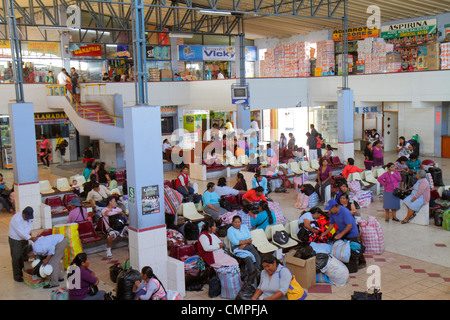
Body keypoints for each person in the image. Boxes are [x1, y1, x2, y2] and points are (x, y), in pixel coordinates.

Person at [8, 207, 37, 282]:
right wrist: (31, 238)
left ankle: (24, 273)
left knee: (25, 256)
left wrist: (29, 235)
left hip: (25, 239)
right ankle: (17, 276)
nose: (28, 219)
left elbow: (28, 227)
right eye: (26, 218)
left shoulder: (29, 218)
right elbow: (21, 233)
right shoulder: (16, 219)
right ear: (23, 214)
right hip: (16, 240)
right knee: (16, 257)